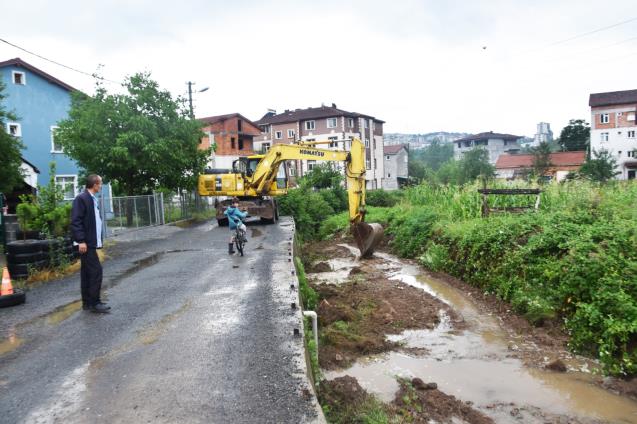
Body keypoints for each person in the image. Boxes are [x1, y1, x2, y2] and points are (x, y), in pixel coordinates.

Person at [71, 175, 110, 314]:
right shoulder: (82, 198)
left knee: (87, 273)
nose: (101, 186)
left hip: (90, 242)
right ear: (94, 184)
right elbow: (76, 221)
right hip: (85, 243)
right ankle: (95, 303)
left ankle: (87, 303)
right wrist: (81, 240)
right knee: (96, 271)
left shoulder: (92, 199)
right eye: (100, 184)